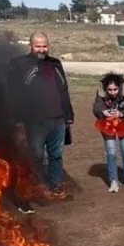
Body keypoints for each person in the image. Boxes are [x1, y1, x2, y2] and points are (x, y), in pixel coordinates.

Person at [8, 30, 74, 210]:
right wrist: (18, 119)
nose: (42, 49)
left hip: (58, 119)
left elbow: (64, 90)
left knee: (56, 155)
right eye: (38, 46)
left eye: (45, 46)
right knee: (34, 157)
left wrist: (68, 114)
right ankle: (36, 189)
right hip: (35, 121)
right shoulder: (20, 64)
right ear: (31, 46)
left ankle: (56, 186)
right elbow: (14, 93)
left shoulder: (55, 64)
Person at [92, 72, 124, 192]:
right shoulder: (101, 92)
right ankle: (113, 180)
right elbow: (96, 108)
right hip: (107, 125)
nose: (112, 92)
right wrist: (103, 112)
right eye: (110, 90)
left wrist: (122, 114)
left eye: (115, 89)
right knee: (111, 152)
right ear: (105, 88)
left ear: (119, 87)